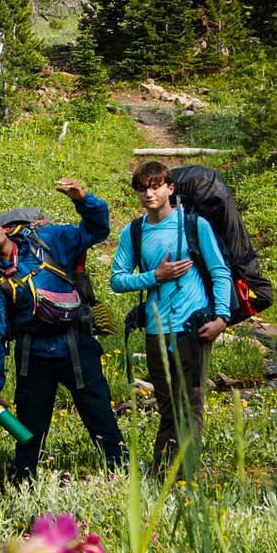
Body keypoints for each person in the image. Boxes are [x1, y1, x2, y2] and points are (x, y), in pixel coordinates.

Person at [0, 181, 128, 485]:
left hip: (77, 344)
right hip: (33, 354)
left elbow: (96, 230)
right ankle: (24, 482)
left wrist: (84, 200)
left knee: (99, 412)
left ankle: (123, 473)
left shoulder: (49, 239)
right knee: (30, 426)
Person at [111, 160, 233, 484]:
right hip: (156, 329)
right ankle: (163, 473)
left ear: (170, 188)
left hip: (193, 327)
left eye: (155, 186)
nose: (148, 193)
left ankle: (184, 476)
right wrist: (155, 276)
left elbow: (220, 271)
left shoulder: (194, 225)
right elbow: (117, 280)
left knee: (190, 404)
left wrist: (222, 317)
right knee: (166, 405)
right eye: (142, 188)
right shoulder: (134, 232)